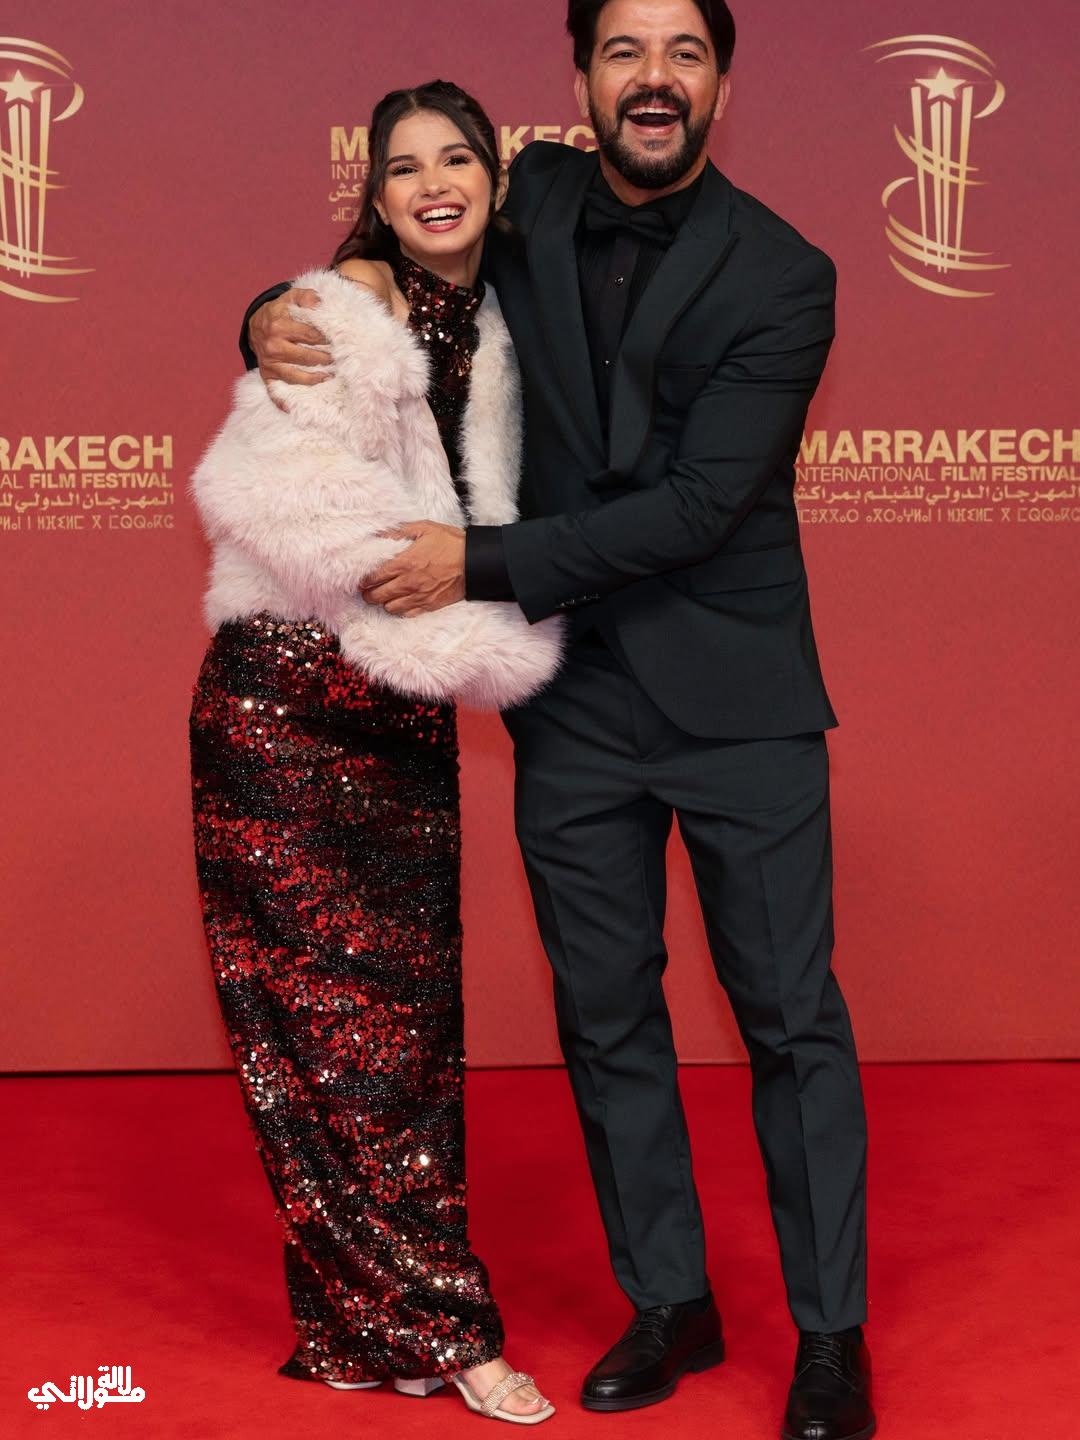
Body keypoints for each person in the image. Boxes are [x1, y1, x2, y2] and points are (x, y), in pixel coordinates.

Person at [243, 3, 876, 1437]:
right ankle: (670, 1301)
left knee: (791, 1021)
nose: (654, 79)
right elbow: (398, 246)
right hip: (573, 698)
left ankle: (831, 1336)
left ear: (721, 81)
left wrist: (478, 563)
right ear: (582, 74)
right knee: (605, 1014)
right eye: (624, 51)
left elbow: (699, 509)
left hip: (740, 701)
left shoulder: (786, 273)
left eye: (684, 53)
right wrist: (280, 308)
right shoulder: (522, 188)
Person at [191, 80, 562, 1425]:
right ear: (377, 195)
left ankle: (367, 1326)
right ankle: (448, 1326)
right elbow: (267, 490)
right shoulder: (344, 308)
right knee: (318, 1030)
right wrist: (441, 598)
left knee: (404, 1036)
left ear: (496, 179)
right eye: (404, 168)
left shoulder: (508, 314)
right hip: (287, 706)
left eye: (457, 158)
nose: (434, 184)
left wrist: (455, 611)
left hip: (399, 709)